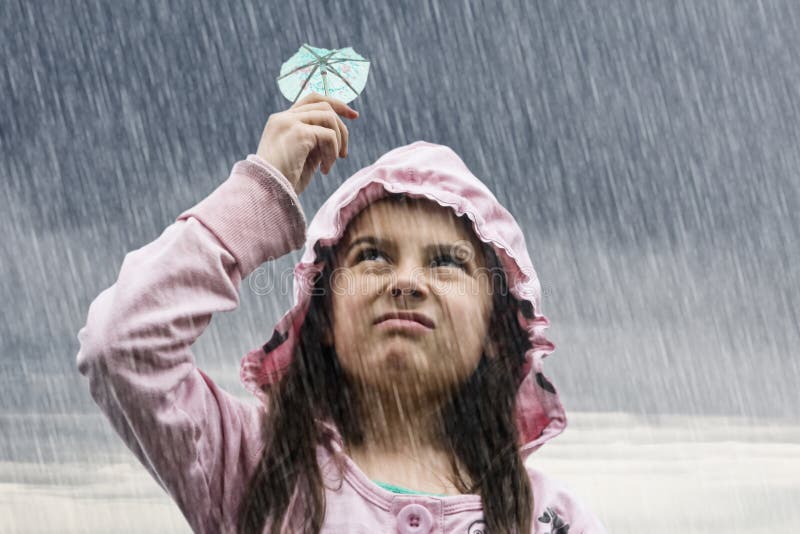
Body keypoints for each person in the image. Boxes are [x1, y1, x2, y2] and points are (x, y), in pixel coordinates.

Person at [76, 92, 608, 533]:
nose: (405, 282)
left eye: (446, 262)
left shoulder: (550, 518)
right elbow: (122, 344)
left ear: (498, 331)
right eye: (372, 256)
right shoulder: (256, 468)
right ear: (324, 319)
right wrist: (258, 193)